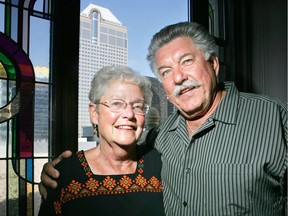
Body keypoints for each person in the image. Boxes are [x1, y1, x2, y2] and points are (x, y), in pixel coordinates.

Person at [40, 22, 287, 216]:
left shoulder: (276, 118)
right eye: (166, 71)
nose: (178, 77)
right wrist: (58, 173)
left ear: (213, 63)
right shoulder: (160, 138)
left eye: (186, 61)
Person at [38, 66, 165, 215]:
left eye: (138, 106)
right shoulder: (64, 175)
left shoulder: (161, 165)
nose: (129, 114)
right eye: (116, 103)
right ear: (94, 113)